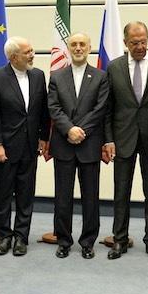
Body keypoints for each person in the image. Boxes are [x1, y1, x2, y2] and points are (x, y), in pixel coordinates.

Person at [0, 36, 50, 256]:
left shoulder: (38, 76)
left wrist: (43, 137)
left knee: (25, 194)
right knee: (3, 195)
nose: (32, 55)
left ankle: (21, 237)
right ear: (13, 57)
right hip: (5, 147)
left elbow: (42, 111)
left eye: (32, 50)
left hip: (30, 146)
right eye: (27, 52)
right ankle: (4, 236)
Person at [105, 21, 148, 262]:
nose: (140, 47)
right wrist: (108, 139)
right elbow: (108, 109)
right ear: (125, 43)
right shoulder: (114, 67)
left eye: (143, 42)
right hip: (122, 138)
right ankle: (120, 239)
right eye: (134, 43)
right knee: (121, 192)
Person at [48, 32, 108, 259]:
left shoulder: (101, 76)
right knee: (62, 196)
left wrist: (80, 130)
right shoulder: (56, 76)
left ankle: (88, 241)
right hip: (63, 144)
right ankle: (63, 240)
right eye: (74, 44)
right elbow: (53, 107)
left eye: (82, 44)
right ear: (68, 49)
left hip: (89, 144)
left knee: (90, 196)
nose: (78, 48)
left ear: (89, 48)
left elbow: (100, 108)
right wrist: (69, 129)